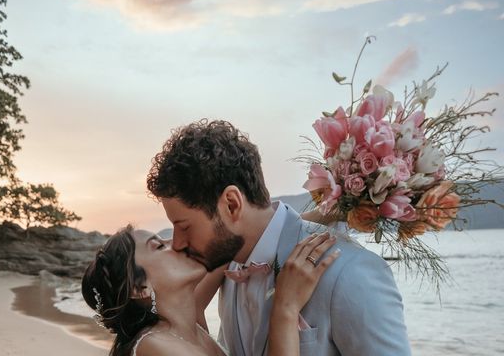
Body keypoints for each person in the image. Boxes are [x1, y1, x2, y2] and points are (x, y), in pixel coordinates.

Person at [146, 119, 411, 356]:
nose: (178, 243)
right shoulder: (229, 266)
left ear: (231, 205)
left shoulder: (350, 272)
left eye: (184, 226)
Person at [82, 224, 340, 356]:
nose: (177, 242)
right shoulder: (156, 346)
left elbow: (232, 241)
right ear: (140, 287)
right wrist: (285, 307)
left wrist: (330, 208)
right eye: (159, 246)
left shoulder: (186, 322)